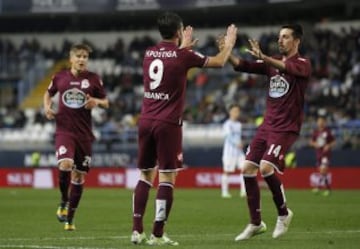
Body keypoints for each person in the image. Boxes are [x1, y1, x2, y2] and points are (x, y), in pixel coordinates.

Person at [131, 11, 237, 246]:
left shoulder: (148, 53)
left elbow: (170, 63)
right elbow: (219, 62)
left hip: (146, 120)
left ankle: (137, 230)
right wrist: (228, 45)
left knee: (145, 175)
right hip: (167, 123)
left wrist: (183, 47)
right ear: (179, 32)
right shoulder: (183, 55)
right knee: (167, 177)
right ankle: (157, 234)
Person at [219, 24, 311, 240]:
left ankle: (284, 213)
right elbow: (241, 65)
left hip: (286, 127)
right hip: (267, 126)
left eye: (286, 37)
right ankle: (256, 222)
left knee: (266, 167)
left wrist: (265, 58)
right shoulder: (270, 64)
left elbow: (287, 68)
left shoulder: (303, 64)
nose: (280, 40)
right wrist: (227, 51)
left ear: (297, 41)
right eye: (279, 37)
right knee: (247, 169)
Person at [43, 43, 109, 231]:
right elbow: (48, 94)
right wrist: (47, 107)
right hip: (64, 130)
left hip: (84, 134)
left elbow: (106, 103)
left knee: (79, 176)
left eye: (85, 57)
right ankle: (64, 200)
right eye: (78, 56)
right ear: (71, 58)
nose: (82, 59)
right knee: (65, 164)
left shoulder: (94, 79)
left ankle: (70, 219)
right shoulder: (59, 77)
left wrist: (96, 101)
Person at [221, 104, 246, 198]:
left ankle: (243, 191)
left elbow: (238, 136)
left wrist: (240, 143)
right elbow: (228, 136)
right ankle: (224, 192)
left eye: (238, 111)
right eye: (234, 111)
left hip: (239, 152)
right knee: (227, 171)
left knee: (245, 169)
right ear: (230, 112)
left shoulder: (239, 124)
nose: (236, 113)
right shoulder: (227, 124)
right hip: (229, 152)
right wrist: (237, 143)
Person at [309, 116, 336, 196]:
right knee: (321, 171)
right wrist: (315, 144)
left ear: (324, 122)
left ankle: (321, 187)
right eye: (319, 121)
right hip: (318, 153)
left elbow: (334, 141)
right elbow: (311, 142)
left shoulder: (327, 132)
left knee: (323, 170)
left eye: (321, 121)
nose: (320, 123)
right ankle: (324, 188)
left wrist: (328, 145)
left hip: (326, 154)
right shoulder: (315, 132)